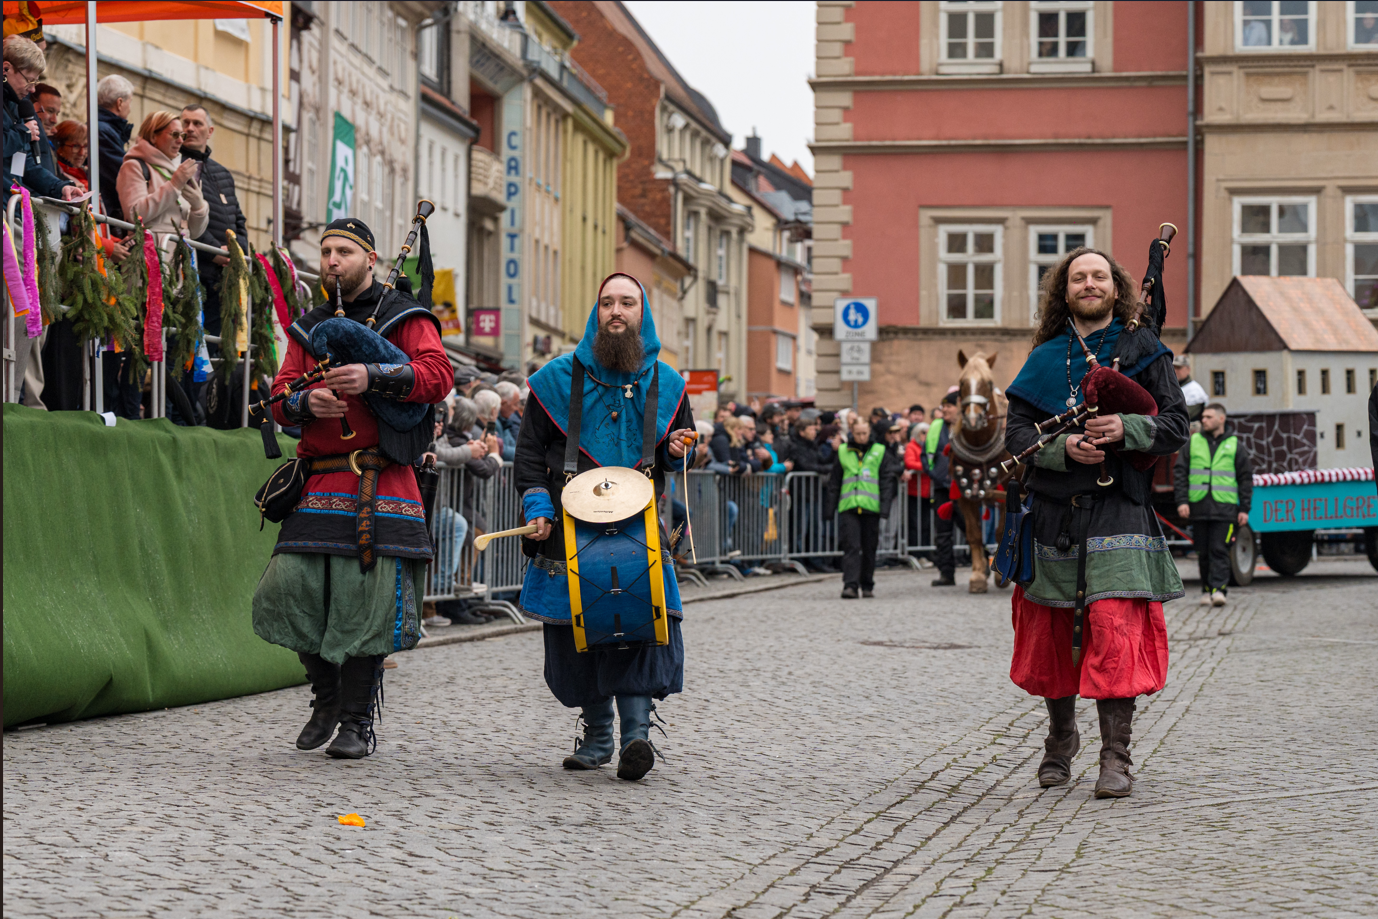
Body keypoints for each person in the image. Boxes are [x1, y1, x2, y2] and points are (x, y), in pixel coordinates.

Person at [252, 217, 451, 760]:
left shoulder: (404, 316)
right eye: (326, 252)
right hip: (320, 478)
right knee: (287, 591)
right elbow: (281, 393)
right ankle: (327, 696)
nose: (333, 261)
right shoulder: (308, 326)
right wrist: (305, 402)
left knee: (367, 606)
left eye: (344, 251)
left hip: (384, 479)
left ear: (370, 258)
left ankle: (356, 722)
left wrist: (373, 375)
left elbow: (438, 375)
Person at [1004, 246, 1188, 799]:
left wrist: (1127, 429)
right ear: (1064, 291)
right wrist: (1062, 449)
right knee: (1052, 633)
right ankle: (1061, 739)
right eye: (1078, 277)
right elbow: (1016, 435)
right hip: (1054, 513)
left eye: (1099, 276)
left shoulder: (1144, 349)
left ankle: (1116, 756)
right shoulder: (1044, 358)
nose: (1089, 283)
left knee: (1115, 630)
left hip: (1119, 509)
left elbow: (1176, 425)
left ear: (1117, 287)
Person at [515, 272, 695, 782]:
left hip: (639, 530)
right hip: (567, 526)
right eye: (608, 302)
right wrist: (537, 508)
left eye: (628, 303)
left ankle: (636, 738)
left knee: (641, 624)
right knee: (574, 633)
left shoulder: (669, 384)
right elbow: (528, 455)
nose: (617, 311)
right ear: (597, 312)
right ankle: (597, 737)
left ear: (643, 313)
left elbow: (679, 450)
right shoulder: (553, 379)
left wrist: (677, 449)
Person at [430, 396, 503, 626]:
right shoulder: (453, 438)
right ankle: (451, 602)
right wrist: (493, 454)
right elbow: (483, 468)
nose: (447, 414)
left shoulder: (451, 436)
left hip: (453, 504)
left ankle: (455, 598)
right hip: (446, 503)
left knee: (471, 531)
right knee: (470, 534)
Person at [178, 104, 246, 344]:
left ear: (210, 131)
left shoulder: (222, 173)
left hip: (222, 278)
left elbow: (238, 219)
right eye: (185, 123)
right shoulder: (176, 166)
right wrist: (214, 251)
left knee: (214, 345)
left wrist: (238, 252)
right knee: (186, 345)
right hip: (192, 270)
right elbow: (185, 218)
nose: (190, 128)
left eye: (197, 123)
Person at [1174, 403, 1252, 607]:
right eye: (1203, 417)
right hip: (1199, 506)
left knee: (1219, 550)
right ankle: (1206, 590)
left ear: (1221, 419)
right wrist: (1182, 501)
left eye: (1208, 417)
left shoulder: (1234, 445)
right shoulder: (1193, 442)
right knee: (1203, 552)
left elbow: (1245, 479)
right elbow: (1180, 472)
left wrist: (1244, 508)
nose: (1203, 420)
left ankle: (1218, 590)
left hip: (1225, 508)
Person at [830, 416, 902, 598]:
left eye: (864, 433)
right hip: (849, 506)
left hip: (871, 506)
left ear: (869, 432)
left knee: (870, 548)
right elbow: (835, 481)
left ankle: (867, 584)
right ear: (852, 433)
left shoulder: (879, 451)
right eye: (858, 433)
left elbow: (886, 481)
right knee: (851, 547)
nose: (861, 437)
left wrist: (885, 508)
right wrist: (829, 509)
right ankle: (850, 585)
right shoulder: (843, 451)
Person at [117, 110, 209, 243]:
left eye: (182, 135)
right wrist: (174, 185)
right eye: (175, 134)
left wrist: (198, 207)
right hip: (150, 251)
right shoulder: (134, 166)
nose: (180, 141)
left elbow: (194, 233)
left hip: (180, 253)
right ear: (153, 136)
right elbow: (135, 215)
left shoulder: (178, 170)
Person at [922, 391, 963, 586]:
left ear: (959, 407)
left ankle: (982, 565)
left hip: (962, 488)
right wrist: (935, 474)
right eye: (943, 406)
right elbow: (925, 456)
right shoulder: (936, 427)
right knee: (943, 533)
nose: (945, 410)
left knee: (970, 528)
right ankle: (946, 574)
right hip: (941, 488)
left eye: (949, 406)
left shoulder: (967, 427)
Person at [96, 74, 135, 221]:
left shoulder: (103, 129)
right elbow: (123, 172)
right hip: (107, 210)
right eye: (130, 102)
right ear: (119, 103)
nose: (130, 109)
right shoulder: (104, 132)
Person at [50, 119, 88, 190]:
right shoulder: (56, 174)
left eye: (86, 146)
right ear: (59, 146)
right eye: (76, 146)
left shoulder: (84, 171)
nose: (82, 153)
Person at [1173, 355, 1208, 423]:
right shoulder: (1172, 387)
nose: (1175, 370)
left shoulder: (1194, 390)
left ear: (1188, 369)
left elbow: (1184, 415)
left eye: (1179, 367)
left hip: (1190, 427)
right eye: (1173, 367)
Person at [495, 379, 523, 461]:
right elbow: (500, 449)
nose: (517, 408)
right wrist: (523, 455)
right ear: (503, 403)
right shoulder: (494, 422)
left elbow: (514, 445)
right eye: (515, 404)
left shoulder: (505, 421)